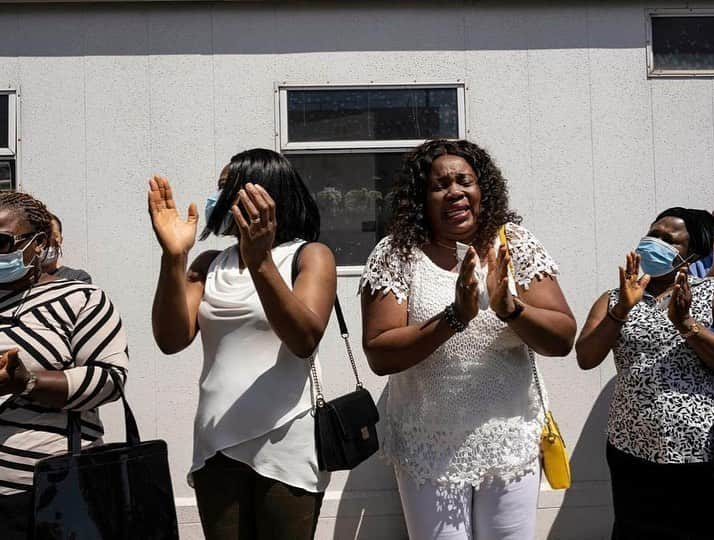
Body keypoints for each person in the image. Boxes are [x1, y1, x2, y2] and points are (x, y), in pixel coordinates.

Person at [359, 139, 576, 540]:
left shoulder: (516, 245)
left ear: (483, 190)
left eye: (465, 181)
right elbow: (380, 353)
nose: (455, 191)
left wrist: (511, 308)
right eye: (440, 185)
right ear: (421, 198)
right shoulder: (396, 253)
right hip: (429, 445)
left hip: (509, 442)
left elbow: (562, 338)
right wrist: (454, 317)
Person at [148, 149, 337, 540]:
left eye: (225, 187)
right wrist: (174, 258)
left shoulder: (309, 256)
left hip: (286, 440)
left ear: (262, 195)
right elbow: (170, 339)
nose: (216, 197)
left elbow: (304, 340)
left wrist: (260, 262)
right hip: (217, 442)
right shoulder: (209, 263)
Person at [575, 207, 714, 539]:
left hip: (704, 453)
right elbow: (586, 356)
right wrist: (621, 310)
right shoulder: (613, 298)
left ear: (691, 254)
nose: (655, 242)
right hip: (632, 450)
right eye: (653, 234)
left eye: (669, 239)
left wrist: (687, 326)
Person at [0, 191, 129, 540]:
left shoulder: (80, 299)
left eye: (1, 241)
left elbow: (110, 379)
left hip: (52, 492)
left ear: (38, 243)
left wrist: (27, 382)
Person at [40, 214, 92, 283]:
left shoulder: (77, 278)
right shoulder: (25, 280)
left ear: (61, 239)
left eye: (54, 235)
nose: (49, 241)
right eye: (43, 237)